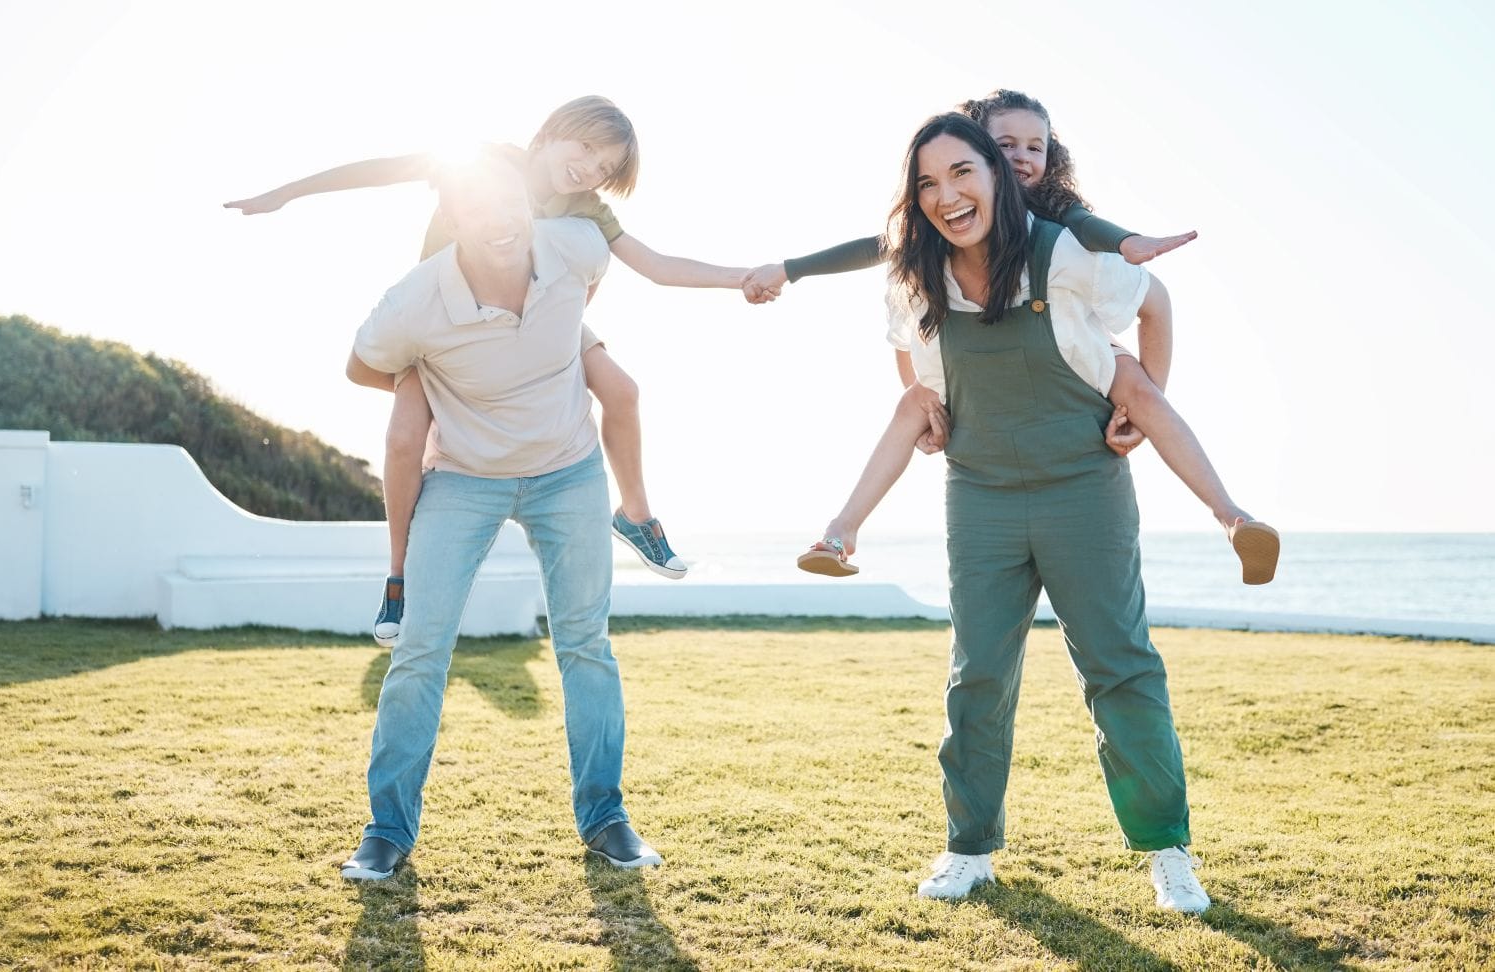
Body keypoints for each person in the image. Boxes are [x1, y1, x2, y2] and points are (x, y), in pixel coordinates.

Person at [226, 96, 761, 646]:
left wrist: (740, 277)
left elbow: (658, 266)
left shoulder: (587, 208)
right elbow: (383, 169)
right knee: (407, 436)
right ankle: (398, 577)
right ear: (554, 130)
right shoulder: (482, 162)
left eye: (604, 167)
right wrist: (286, 194)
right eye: (586, 148)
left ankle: (636, 515)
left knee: (622, 390)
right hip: (445, 327)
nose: (589, 169)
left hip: (532, 324)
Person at [880, 112, 1210, 911]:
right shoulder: (925, 265)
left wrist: (1136, 408)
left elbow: (1153, 300)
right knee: (978, 676)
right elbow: (911, 358)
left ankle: (1167, 850)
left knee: (1119, 667)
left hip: (1082, 487)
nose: (1014, 160)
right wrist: (932, 414)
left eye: (1030, 148)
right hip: (983, 494)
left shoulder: (1064, 245)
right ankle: (968, 847)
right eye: (938, 178)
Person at [746, 90, 1277, 585]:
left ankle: (1231, 517)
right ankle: (840, 533)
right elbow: (883, 270)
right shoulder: (933, 237)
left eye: (1035, 146)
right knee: (911, 402)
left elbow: (1100, 238)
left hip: (1078, 345)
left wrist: (1130, 246)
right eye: (1006, 145)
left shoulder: (1056, 214)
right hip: (980, 395)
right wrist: (791, 270)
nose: (1021, 157)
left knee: (1137, 387)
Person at [337, 156, 659, 880]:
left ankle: (606, 818)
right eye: (478, 207)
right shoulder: (416, 300)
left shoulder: (574, 245)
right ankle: (386, 830)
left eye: (510, 201)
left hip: (569, 471)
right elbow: (361, 363)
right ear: (453, 218)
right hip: (465, 479)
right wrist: (420, 372)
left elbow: (586, 288)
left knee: (586, 646)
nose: (500, 220)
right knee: (420, 648)